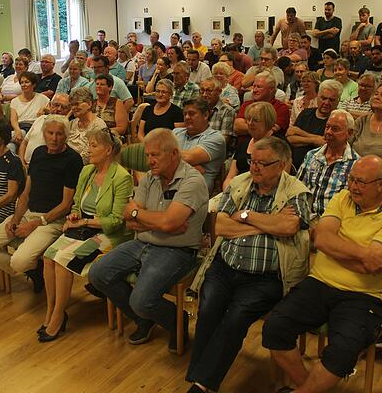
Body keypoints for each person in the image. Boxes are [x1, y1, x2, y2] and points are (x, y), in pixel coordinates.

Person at [265, 155, 382, 393]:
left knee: (342, 351)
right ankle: (308, 388)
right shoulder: (342, 198)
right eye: (351, 179)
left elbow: (374, 264)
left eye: (361, 182)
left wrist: (337, 249)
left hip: (365, 295)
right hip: (319, 283)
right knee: (275, 327)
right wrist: (360, 254)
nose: (354, 186)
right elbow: (322, 239)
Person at [185, 137, 311, 393]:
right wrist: (268, 223)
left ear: (283, 165)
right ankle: (202, 378)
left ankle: (201, 384)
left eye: (263, 164)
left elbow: (288, 227)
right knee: (208, 309)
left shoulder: (297, 192)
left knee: (236, 318)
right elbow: (218, 225)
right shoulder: (240, 183)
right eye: (253, 161)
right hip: (224, 267)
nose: (254, 167)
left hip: (266, 278)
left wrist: (244, 217)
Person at [89, 128, 209, 352]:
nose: (149, 161)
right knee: (98, 274)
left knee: (141, 300)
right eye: (147, 155)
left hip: (177, 250)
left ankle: (176, 321)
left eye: (155, 155)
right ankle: (144, 318)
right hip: (142, 242)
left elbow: (167, 223)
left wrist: (151, 219)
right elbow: (130, 216)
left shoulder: (192, 181)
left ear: (174, 154)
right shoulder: (150, 177)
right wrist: (155, 220)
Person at [39, 128, 131, 341]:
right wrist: (74, 217)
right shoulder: (87, 171)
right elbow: (76, 204)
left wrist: (85, 221)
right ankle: (51, 309)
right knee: (48, 256)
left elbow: (117, 220)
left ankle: (58, 316)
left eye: (93, 146)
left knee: (62, 260)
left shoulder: (121, 177)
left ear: (108, 150)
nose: (89, 150)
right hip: (83, 228)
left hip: (108, 234)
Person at [0, 114, 83, 293]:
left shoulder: (72, 160)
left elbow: (65, 205)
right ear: (44, 133)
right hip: (28, 214)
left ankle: (29, 266)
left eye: (59, 134)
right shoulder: (39, 153)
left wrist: (35, 224)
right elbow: (25, 193)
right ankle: (35, 272)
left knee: (19, 260)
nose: (54, 138)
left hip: (53, 220)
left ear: (66, 136)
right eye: (50, 133)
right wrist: (16, 219)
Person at [296, 109, 359, 221]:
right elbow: (297, 188)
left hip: (334, 221)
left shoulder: (356, 164)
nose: (329, 132)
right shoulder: (312, 155)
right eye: (327, 127)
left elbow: (355, 203)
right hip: (304, 217)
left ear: (349, 133)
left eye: (335, 129)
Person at [173, 99, 226, 191]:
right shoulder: (176, 132)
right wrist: (193, 167)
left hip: (195, 189)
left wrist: (169, 160)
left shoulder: (216, 138)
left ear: (205, 115)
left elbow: (188, 157)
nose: (187, 117)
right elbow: (157, 155)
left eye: (191, 113)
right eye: (185, 114)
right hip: (170, 183)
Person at [287, 79, 341, 170]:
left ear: (338, 101)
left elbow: (326, 144)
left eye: (331, 100)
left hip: (318, 169)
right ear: (318, 97)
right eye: (323, 98)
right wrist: (314, 140)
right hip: (293, 167)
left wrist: (300, 133)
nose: (326, 103)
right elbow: (290, 138)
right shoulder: (306, 113)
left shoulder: (337, 120)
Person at [223, 102, 276, 190]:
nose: (250, 123)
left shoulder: (277, 146)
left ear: (268, 122)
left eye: (255, 120)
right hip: (235, 191)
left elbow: (277, 183)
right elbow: (230, 177)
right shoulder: (244, 143)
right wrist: (227, 192)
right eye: (248, 119)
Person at [18, 93, 71, 165]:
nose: (59, 109)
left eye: (64, 107)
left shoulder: (67, 127)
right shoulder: (40, 119)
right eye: (56, 105)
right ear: (49, 105)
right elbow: (24, 143)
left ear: (69, 110)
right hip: (25, 164)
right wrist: (21, 163)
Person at [235, 73, 290, 139]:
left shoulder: (281, 108)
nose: (254, 90)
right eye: (254, 86)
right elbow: (237, 126)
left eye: (259, 87)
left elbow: (270, 131)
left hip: (267, 145)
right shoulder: (246, 104)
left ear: (271, 90)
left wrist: (246, 127)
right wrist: (259, 128)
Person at [66, 87, 107, 164]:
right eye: (72, 105)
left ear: (89, 104)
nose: (73, 108)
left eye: (77, 104)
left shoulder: (99, 126)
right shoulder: (71, 123)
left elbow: (90, 155)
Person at [10, 72, 50, 144]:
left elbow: (52, 113)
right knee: (10, 146)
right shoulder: (14, 101)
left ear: (34, 84)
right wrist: (17, 131)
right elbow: (13, 120)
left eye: (26, 82)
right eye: (21, 82)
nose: (23, 85)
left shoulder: (43, 99)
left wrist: (44, 109)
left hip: (35, 128)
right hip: (20, 128)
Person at [200, 77, 235, 145]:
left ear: (219, 91)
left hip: (214, 149)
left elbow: (223, 140)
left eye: (209, 91)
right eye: (202, 90)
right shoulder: (197, 109)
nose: (204, 94)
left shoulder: (227, 111)